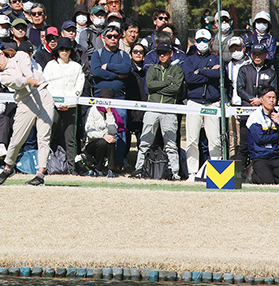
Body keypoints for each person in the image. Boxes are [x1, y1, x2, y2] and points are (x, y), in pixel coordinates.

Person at [0, 47, 55, 186]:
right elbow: (17, 81)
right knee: (17, 139)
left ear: (2, 54)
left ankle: (40, 175)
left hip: (43, 96)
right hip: (25, 102)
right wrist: (28, 81)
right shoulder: (3, 76)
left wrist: (30, 78)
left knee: (44, 137)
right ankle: (8, 168)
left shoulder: (20, 55)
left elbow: (26, 67)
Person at [134, 42, 184, 180]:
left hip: (169, 109)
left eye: (165, 52)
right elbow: (150, 85)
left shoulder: (177, 70)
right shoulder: (152, 68)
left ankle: (174, 172)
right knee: (145, 141)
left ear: (171, 54)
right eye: (159, 53)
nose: (162, 55)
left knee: (171, 144)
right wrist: (167, 83)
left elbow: (176, 88)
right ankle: (139, 169)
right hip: (152, 108)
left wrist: (158, 88)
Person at [89, 23, 132, 168]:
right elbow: (96, 72)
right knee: (98, 129)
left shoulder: (123, 55)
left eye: (116, 36)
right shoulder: (98, 54)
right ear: (103, 38)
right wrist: (117, 76)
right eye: (109, 36)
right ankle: (99, 160)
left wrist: (108, 67)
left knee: (120, 130)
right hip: (100, 99)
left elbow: (126, 69)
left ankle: (117, 161)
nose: (113, 38)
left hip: (119, 99)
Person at [182, 28, 222, 177]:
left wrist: (200, 71)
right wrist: (209, 72)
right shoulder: (189, 60)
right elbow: (189, 78)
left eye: (205, 40)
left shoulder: (216, 59)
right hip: (194, 103)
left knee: (215, 140)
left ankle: (216, 173)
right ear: (194, 42)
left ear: (210, 42)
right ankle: (192, 172)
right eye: (199, 40)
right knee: (192, 139)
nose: (202, 43)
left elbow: (219, 73)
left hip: (212, 103)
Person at [43, 37, 85, 172]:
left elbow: (78, 87)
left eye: (67, 49)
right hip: (52, 106)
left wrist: (68, 103)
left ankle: (72, 169)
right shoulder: (50, 66)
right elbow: (47, 85)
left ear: (71, 51)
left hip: (71, 107)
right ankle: (43, 167)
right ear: (57, 51)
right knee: (47, 136)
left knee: (71, 139)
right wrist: (57, 103)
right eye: (61, 49)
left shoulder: (77, 67)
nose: (64, 51)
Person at [246, 86, 279, 184]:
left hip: (275, 156)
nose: (272, 100)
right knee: (268, 182)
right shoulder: (255, 117)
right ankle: (252, 176)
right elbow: (260, 139)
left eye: (274, 97)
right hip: (260, 156)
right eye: (268, 97)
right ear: (261, 99)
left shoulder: (278, 115)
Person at [81, 87, 121, 176]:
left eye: (108, 99)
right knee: (103, 142)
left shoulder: (112, 112)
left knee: (111, 140)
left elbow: (113, 131)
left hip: (107, 143)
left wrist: (109, 113)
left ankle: (111, 169)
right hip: (92, 144)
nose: (105, 102)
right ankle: (98, 168)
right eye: (103, 99)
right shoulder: (92, 110)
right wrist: (103, 135)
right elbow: (89, 132)